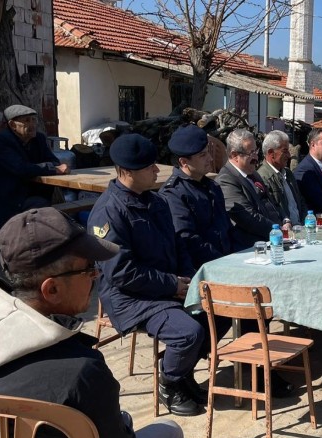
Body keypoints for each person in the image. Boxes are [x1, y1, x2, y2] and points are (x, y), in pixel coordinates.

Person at [0, 207, 184, 438]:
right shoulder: (83, 373)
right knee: (169, 432)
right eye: (88, 269)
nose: (96, 276)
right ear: (52, 290)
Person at [88, 134, 206, 417]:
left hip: (166, 287)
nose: (156, 171)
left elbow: (179, 246)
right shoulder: (109, 212)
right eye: (149, 167)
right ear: (127, 172)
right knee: (190, 332)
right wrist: (172, 286)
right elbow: (120, 272)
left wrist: (189, 279)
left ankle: (183, 370)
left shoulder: (156, 201)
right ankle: (170, 381)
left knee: (219, 315)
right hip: (132, 298)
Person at [0, 105, 71, 228]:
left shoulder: (39, 138)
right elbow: (20, 168)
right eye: (27, 121)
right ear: (13, 125)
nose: (32, 124)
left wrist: (49, 167)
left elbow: (54, 161)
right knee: (43, 207)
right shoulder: (3, 140)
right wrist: (51, 169)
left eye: (34, 120)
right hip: (10, 197)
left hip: (31, 193)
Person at [159, 124, 235, 268]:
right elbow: (188, 239)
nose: (210, 159)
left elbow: (227, 228)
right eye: (202, 155)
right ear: (183, 162)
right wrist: (222, 262)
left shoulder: (212, 187)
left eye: (208, 152)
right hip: (201, 269)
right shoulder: (173, 194)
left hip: (226, 263)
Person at [217, 129, 283, 249]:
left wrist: (285, 220)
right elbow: (248, 217)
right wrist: (277, 230)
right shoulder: (226, 180)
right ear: (234, 155)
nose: (256, 157)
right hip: (251, 246)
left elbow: (272, 202)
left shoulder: (253, 173)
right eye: (251, 153)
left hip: (273, 238)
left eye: (256, 151)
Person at [257, 130, 308, 225]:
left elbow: (300, 200)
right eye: (285, 151)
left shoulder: (288, 173)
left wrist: (306, 221)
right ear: (271, 153)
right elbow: (272, 210)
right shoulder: (262, 178)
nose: (289, 155)